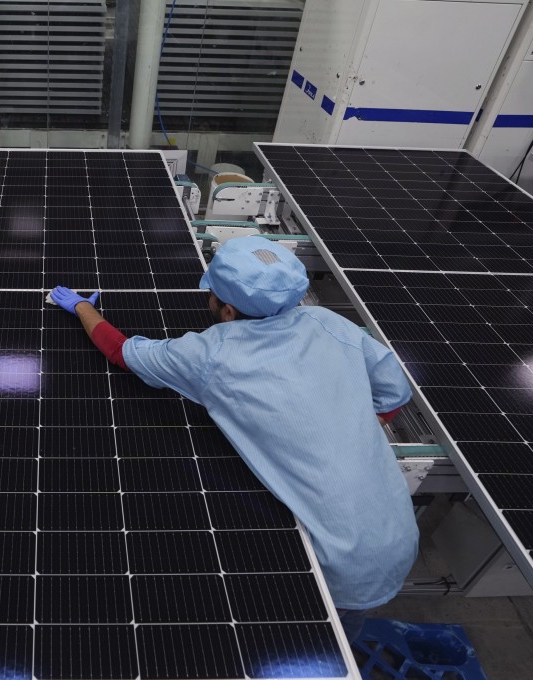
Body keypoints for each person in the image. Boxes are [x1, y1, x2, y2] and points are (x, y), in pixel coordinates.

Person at [50, 235, 418, 643]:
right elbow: (394, 394)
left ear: (227, 310)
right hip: (398, 534)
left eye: (213, 296)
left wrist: (83, 307)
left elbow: (123, 353)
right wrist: (341, 422)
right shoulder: (327, 322)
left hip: (333, 562)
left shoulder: (212, 353)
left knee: (309, 640)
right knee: (347, 629)